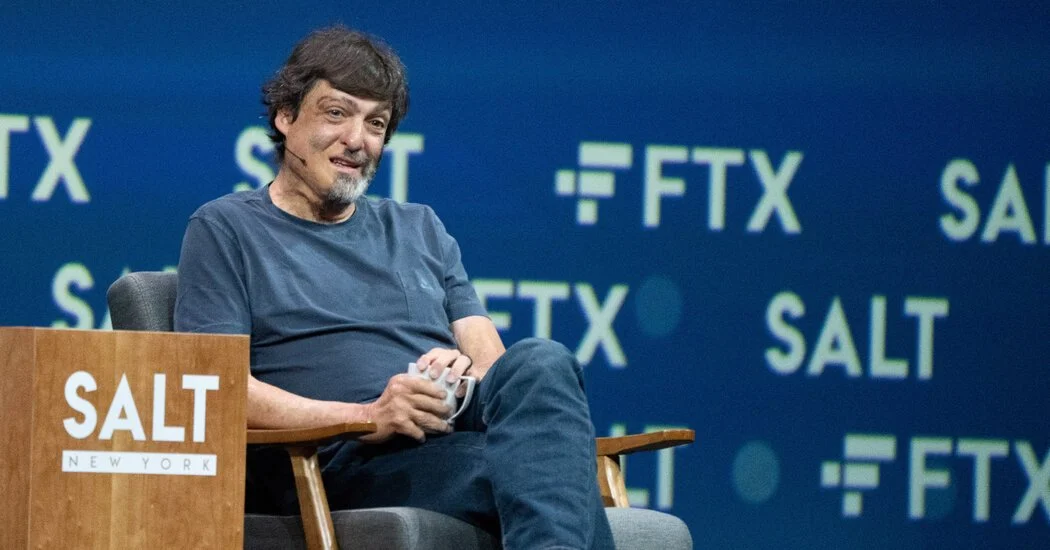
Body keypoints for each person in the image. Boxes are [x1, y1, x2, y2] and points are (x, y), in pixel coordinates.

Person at [174, 25, 614, 549]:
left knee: (542, 359)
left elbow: (490, 360)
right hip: (343, 459)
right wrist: (368, 416)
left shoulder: (419, 225)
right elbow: (217, 390)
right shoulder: (226, 228)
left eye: (375, 123)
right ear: (285, 117)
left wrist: (462, 372)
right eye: (336, 113)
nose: (357, 140)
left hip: (449, 426)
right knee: (549, 477)